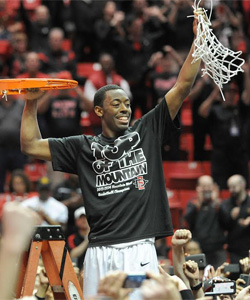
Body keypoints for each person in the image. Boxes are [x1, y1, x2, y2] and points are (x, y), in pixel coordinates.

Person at [20, 8, 202, 298]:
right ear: (99, 110)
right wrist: (30, 104)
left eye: (127, 104)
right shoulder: (82, 146)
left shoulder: (147, 130)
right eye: (116, 104)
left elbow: (182, 85)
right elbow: (30, 145)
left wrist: (198, 40)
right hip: (98, 251)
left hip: (139, 248)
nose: (125, 109)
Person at [184, 175, 227, 269]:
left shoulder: (219, 204)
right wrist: (199, 202)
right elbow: (187, 220)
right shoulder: (193, 204)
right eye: (204, 186)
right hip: (199, 249)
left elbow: (227, 221)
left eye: (209, 186)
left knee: (219, 278)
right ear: (198, 188)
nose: (206, 189)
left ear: (214, 187)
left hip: (217, 249)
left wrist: (216, 202)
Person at [219, 174, 250, 263]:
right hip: (234, 251)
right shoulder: (225, 205)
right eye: (230, 187)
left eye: (234, 186)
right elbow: (222, 226)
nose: (231, 190)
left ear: (243, 185)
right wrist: (231, 218)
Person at [67, 206, 89, 271]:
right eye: (81, 218)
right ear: (76, 221)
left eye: (86, 218)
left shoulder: (98, 236)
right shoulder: (72, 238)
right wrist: (87, 240)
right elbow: (73, 255)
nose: (84, 220)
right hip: (77, 270)